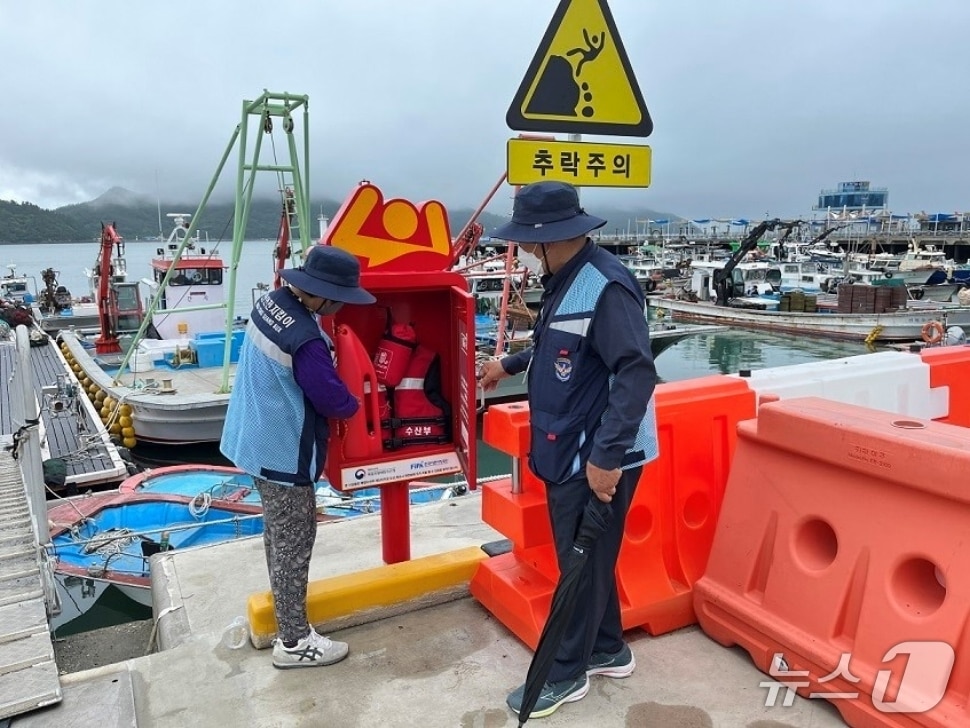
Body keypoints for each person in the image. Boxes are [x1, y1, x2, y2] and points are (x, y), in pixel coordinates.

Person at [478, 181, 658, 720]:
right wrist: (507, 366)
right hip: (570, 443)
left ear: (558, 237)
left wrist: (606, 458)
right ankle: (607, 649)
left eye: (534, 247)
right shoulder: (566, 279)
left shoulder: (606, 287)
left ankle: (565, 672)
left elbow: (635, 371)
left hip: (599, 452)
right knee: (591, 558)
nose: (531, 256)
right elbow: (555, 343)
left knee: (577, 564)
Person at [220, 244, 375, 669]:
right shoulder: (306, 339)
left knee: (277, 535)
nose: (343, 305)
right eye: (340, 298)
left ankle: (286, 612)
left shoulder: (272, 303)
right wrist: (359, 403)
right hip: (282, 452)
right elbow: (329, 397)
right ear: (321, 295)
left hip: (250, 438)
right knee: (294, 543)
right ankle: (294, 642)